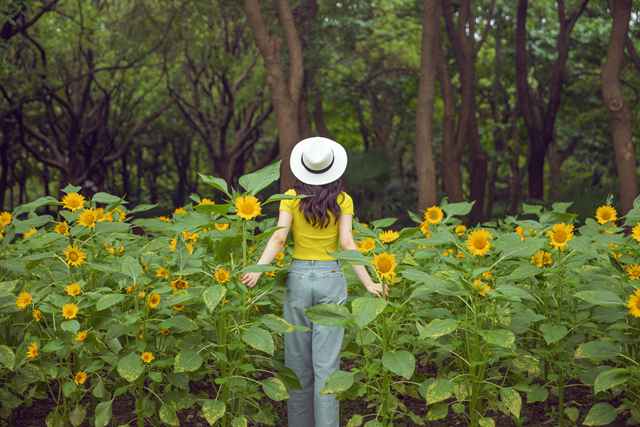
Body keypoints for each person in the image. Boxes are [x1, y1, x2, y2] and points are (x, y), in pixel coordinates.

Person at [240, 136, 387, 427]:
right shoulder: (343, 200)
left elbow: (280, 237)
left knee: (296, 366)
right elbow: (347, 242)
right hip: (330, 279)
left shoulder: (290, 197)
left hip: (298, 280)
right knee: (327, 368)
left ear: (302, 168)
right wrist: (369, 283)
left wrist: (258, 269)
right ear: (333, 168)